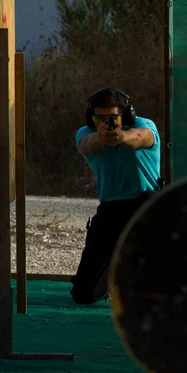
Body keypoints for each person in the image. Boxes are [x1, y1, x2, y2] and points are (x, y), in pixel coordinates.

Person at [71, 87, 162, 305]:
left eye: (111, 117)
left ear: (127, 115)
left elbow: (140, 137)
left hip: (147, 203)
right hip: (112, 209)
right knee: (84, 293)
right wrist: (102, 138)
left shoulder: (143, 125)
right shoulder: (85, 133)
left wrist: (121, 136)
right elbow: (86, 145)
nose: (105, 122)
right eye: (99, 117)